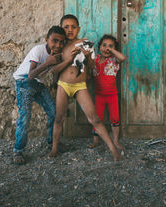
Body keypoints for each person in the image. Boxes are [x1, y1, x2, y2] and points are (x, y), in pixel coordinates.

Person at [48, 14, 121, 162]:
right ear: (62, 28)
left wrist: (87, 57)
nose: (70, 30)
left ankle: (113, 149)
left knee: (94, 118)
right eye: (66, 27)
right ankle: (54, 147)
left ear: (78, 28)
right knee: (59, 118)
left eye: (73, 27)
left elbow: (93, 67)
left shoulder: (85, 43)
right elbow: (54, 69)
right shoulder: (60, 46)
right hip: (63, 85)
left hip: (80, 85)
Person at [12, 26, 67, 165]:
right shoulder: (38, 50)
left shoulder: (57, 55)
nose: (58, 45)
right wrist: (48, 62)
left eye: (62, 42)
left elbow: (52, 72)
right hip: (24, 81)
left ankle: (52, 143)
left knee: (54, 112)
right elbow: (30, 75)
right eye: (54, 41)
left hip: (38, 83)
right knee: (25, 116)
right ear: (46, 40)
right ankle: (18, 150)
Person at [87, 34, 125, 151]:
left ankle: (115, 141)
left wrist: (113, 51)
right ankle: (96, 140)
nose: (107, 48)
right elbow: (90, 66)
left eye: (110, 46)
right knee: (97, 119)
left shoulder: (114, 60)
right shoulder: (96, 59)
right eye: (104, 45)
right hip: (99, 96)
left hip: (112, 96)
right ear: (99, 47)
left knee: (115, 119)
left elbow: (122, 58)